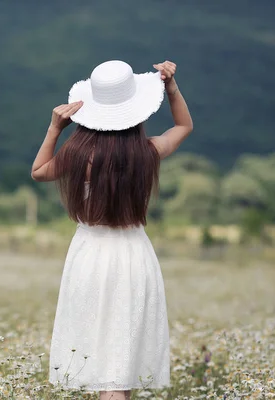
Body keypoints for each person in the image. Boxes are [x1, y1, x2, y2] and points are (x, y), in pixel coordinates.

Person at [31, 60, 193, 400]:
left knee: (102, 360)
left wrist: (55, 128)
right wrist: (172, 88)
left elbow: (40, 171)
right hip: (134, 255)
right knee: (121, 364)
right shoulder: (147, 153)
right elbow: (183, 126)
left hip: (89, 257)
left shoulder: (77, 154)